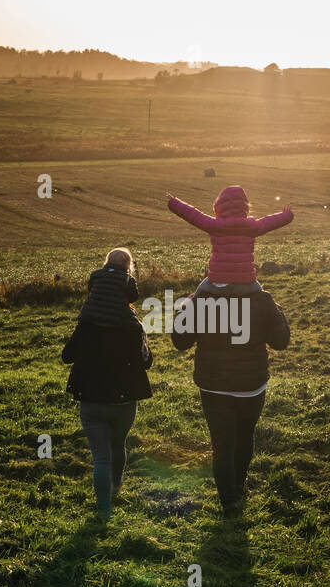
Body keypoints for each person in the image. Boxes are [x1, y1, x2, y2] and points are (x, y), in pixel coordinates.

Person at [171, 278, 290, 518]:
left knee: (222, 442)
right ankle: (237, 486)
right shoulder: (263, 299)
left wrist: (182, 311)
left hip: (214, 386)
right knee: (245, 435)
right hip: (251, 385)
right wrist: (277, 312)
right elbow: (281, 341)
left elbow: (180, 341)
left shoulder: (201, 300)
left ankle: (229, 502)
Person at [62, 247, 152, 520]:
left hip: (91, 399)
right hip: (124, 401)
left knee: (100, 457)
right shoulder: (133, 326)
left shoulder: (86, 322)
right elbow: (146, 361)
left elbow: (67, 356)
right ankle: (116, 487)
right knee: (118, 445)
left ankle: (104, 509)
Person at [166, 184, 293, 289]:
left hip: (218, 280)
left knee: (195, 298)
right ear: (245, 207)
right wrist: (287, 214)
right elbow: (271, 221)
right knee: (269, 302)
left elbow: (193, 215)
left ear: (218, 206)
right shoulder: (252, 226)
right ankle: (279, 318)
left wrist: (174, 202)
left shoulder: (214, 225)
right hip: (246, 281)